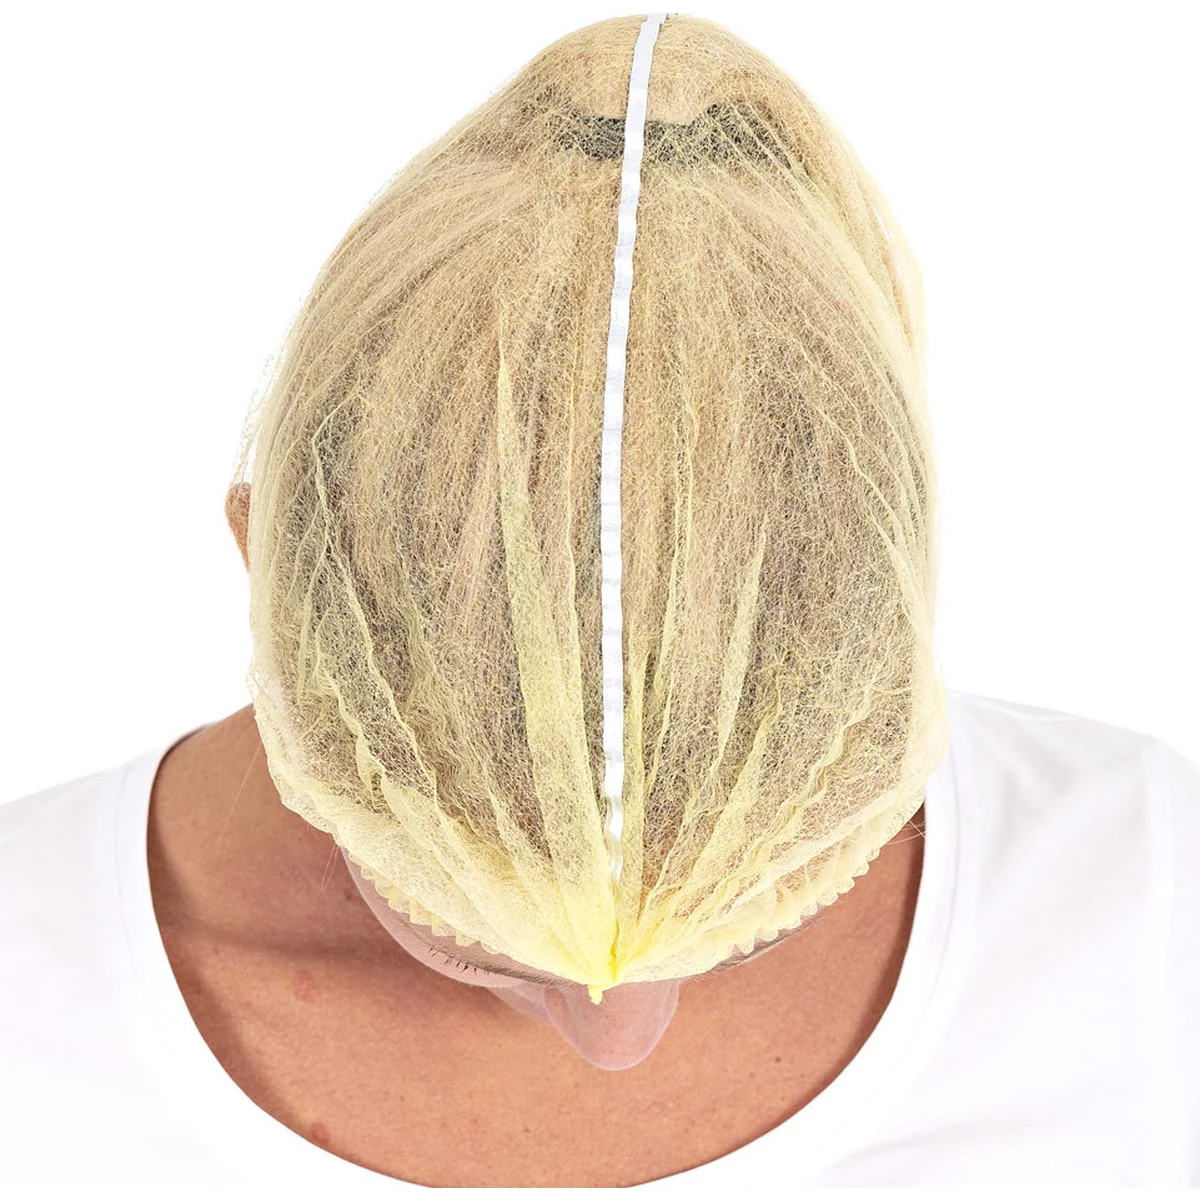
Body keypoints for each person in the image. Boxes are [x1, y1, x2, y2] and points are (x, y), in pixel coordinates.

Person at [2, 12, 1198, 1192]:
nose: (619, 1038)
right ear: (276, 591)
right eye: (473, 928)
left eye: (759, 916)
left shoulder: (1149, 904)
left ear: (880, 631)